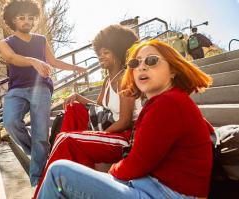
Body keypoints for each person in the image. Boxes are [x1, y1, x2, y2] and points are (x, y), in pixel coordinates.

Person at [36, 39, 213, 199]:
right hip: (149, 185)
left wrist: (110, 172)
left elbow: (137, 164)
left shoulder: (169, 103)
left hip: (166, 193)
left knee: (58, 173)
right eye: (135, 63)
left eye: (152, 61)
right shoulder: (165, 101)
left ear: (173, 70)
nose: (142, 67)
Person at [33, 24, 141, 198]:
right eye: (99, 53)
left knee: (65, 139)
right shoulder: (108, 79)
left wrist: (99, 134)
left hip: (125, 137)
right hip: (110, 131)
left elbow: (125, 121)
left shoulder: (123, 77)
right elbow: (98, 107)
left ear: (119, 51)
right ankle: (71, 172)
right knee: (74, 108)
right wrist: (79, 98)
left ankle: (50, 188)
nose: (101, 57)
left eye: (106, 52)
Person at [0, 0, 86, 187]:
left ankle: (37, 181)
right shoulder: (5, 42)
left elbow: (53, 61)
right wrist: (32, 61)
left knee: (40, 135)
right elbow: (11, 58)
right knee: (10, 122)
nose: (26, 21)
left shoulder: (41, 40)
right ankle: (39, 152)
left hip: (41, 88)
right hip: (17, 90)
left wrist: (74, 67)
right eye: (21, 18)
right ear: (12, 20)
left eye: (30, 18)